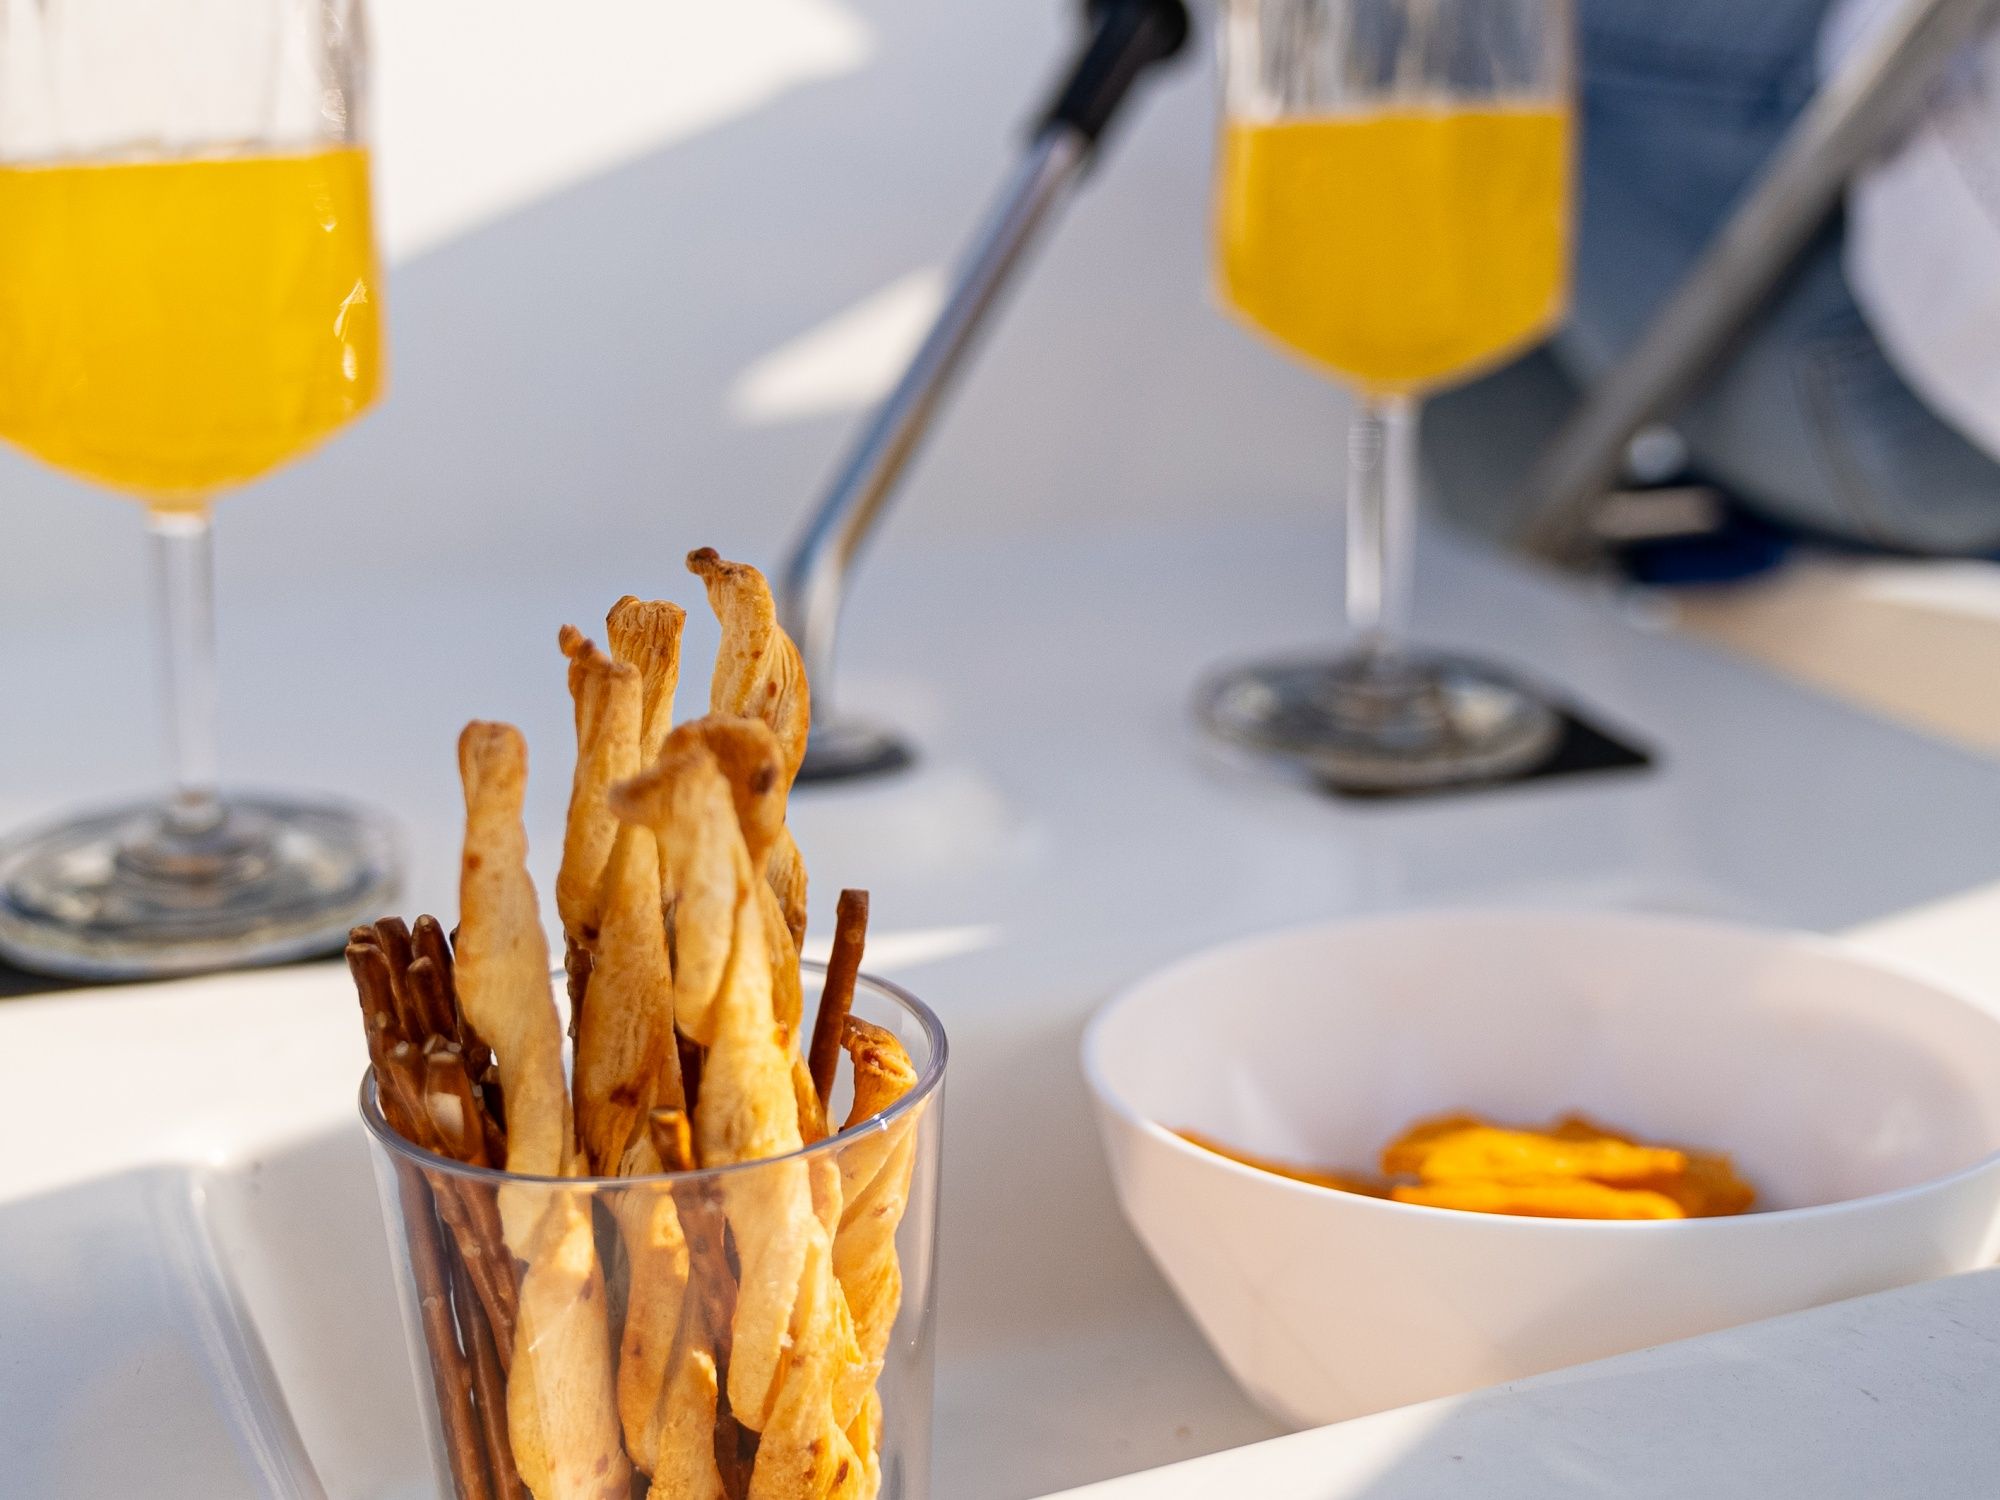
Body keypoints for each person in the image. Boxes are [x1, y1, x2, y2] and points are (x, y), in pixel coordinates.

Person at [1427, 0, 2000, 562]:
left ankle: (1486, 584)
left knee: (1439, 32)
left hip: (1879, 322)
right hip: (1957, 440)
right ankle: (1496, 582)